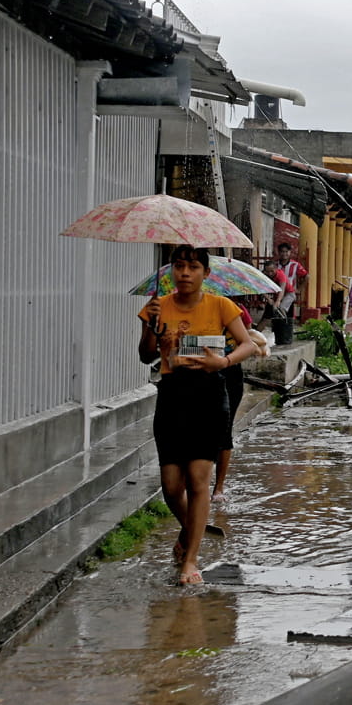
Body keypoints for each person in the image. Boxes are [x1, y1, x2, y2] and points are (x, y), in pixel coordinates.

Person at [138, 245, 257, 584]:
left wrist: (224, 361)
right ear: (172, 272)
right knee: (171, 485)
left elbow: (248, 343)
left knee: (198, 480)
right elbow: (145, 356)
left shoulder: (220, 305)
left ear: (206, 273)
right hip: (172, 396)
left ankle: (191, 561)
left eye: (192, 267)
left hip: (208, 394)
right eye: (178, 266)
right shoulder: (157, 306)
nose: (185, 273)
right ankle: (192, 529)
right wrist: (152, 327)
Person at [211, 298, 270, 504]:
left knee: (224, 429)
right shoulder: (189, 310)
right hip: (199, 371)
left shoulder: (233, 310)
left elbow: (247, 339)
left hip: (229, 372)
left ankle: (218, 488)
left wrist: (227, 356)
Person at [270, 242, 307, 345]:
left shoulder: (295, 265)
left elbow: (306, 276)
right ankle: (279, 334)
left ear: (290, 253)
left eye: (286, 252)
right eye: (282, 251)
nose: (284, 254)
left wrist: (299, 289)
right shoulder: (275, 265)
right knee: (277, 313)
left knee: (286, 313)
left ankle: (286, 335)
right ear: (279, 252)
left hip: (289, 292)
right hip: (277, 293)